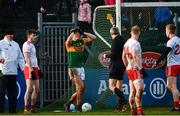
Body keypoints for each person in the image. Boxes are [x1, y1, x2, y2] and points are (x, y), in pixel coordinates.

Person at [65, 27, 96, 112]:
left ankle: (69, 104)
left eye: (78, 32)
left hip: (81, 67)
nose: (77, 33)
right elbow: (67, 42)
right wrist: (72, 34)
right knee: (81, 87)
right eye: (76, 32)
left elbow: (94, 38)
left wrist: (84, 32)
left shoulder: (82, 40)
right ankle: (78, 107)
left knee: (80, 89)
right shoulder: (70, 43)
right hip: (73, 67)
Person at [153, 24, 180, 111]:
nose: (165, 32)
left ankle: (176, 106)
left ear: (168, 31)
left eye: (166, 30)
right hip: (177, 63)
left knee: (172, 87)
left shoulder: (171, 41)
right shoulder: (179, 39)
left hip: (172, 64)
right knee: (169, 86)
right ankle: (177, 103)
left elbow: (165, 52)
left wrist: (157, 61)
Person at [0, 27, 25, 113]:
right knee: (1, 92)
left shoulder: (16, 44)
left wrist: (23, 68)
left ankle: (13, 110)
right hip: (3, 71)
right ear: (6, 35)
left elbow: (20, 58)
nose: (12, 36)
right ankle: (1, 110)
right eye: (10, 34)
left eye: (12, 34)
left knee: (13, 93)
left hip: (13, 71)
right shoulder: (1, 43)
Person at [103, 27, 128, 112]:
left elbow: (113, 55)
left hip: (115, 65)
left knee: (111, 86)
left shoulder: (115, 41)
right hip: (122, 65)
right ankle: (120, 108)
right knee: (119, 87)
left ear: (111, 34)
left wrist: (106, 55)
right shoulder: (123, 40)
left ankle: (125, 101)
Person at [122, 25, 145, 115]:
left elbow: (123, 57)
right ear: (139, 32)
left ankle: (133, 112)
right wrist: (140, 68)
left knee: (132, 91)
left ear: (131, 32)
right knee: (140, 90)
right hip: (136, 69)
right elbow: (135, 56)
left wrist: (127, 66)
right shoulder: (135, 43)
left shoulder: (127, 42)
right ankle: (140, 112)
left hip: (129, 69)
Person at [22, 29, 41, 114]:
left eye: (35, 35)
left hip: (35, 68)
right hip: (29, 68)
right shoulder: (26, 45)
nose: (35, 36)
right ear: (29, 36)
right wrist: (31, 70)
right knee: (29, 89)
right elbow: (27, 58)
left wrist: (38, 68)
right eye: (33, 35)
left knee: (37, 89)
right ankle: (26, 109)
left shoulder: (32, 45)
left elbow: (33, 58)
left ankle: (33, 107)